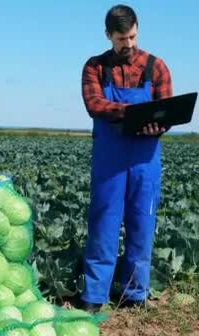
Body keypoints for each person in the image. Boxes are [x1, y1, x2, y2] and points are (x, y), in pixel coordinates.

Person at [80, 4, 173, 312]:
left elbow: (168, 108)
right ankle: (94, 296)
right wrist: (132, 113)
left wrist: (158, 123)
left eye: (133, 36)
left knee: (142, 224)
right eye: (122, 38)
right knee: (104, 223)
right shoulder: (94, 67)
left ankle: (135, 295)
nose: (129, 44)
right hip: (110, 158)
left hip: (146, 158)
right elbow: (94, 104)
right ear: (108, 35)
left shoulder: (156, 66)